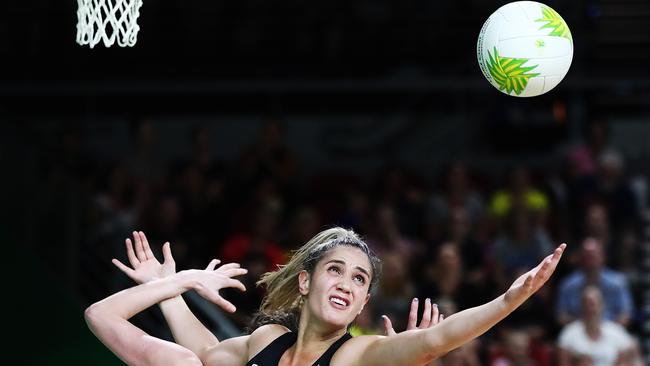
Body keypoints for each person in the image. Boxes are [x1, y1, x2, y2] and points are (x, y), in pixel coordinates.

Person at [86, 227, 565, 366]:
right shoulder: (266, 340)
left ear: (362, 305)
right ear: (305, 282)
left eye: (359, 281)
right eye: (335, 270)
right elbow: (205, 351)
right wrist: (170, 287)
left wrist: (508, 301)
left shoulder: (354, 355)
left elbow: (435, 340)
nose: (346, 284)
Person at [557, 286, 640, 366]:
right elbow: (564, 363)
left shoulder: (617, 332)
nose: (590, 309)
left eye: (593, 304)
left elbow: (623, 363)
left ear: (602, 305)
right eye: (586, 304)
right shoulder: (568, 333)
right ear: (581, 306)